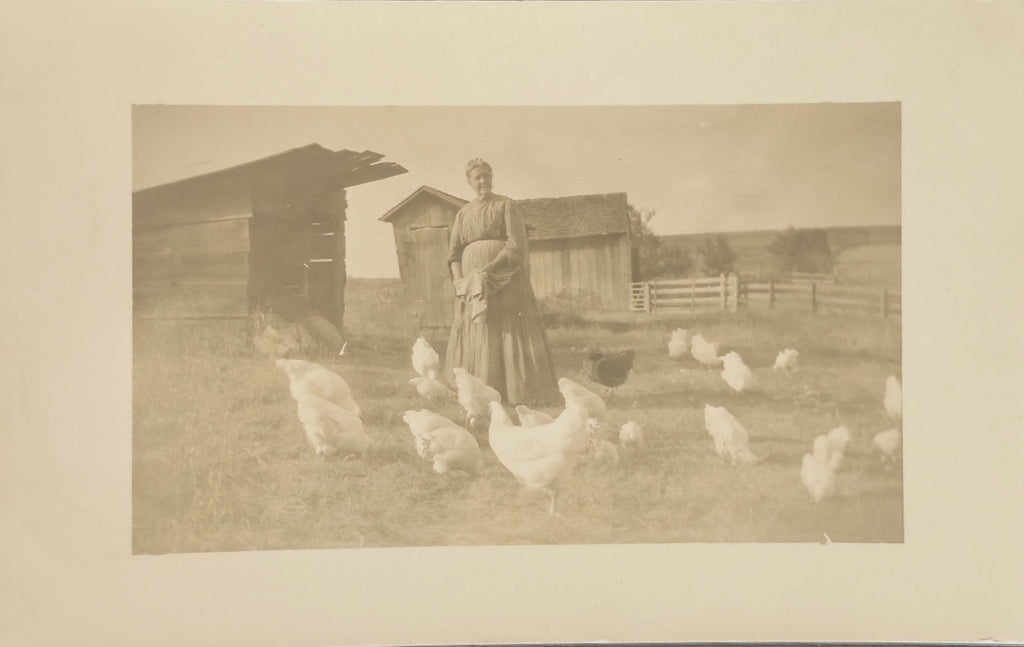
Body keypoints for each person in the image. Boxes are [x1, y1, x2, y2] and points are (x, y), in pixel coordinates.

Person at [445, 159, 559, 405]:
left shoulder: (506, 205)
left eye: (486, 175)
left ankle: (515, 390)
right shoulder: (463, 214)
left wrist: (488, 271)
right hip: (471, 286)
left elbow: (516, 245)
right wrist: (460, 282)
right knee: (479, 325)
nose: (483, 181)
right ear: (469, 182)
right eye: (478, 177)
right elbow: (453, 254)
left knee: (507, 326)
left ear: (492, 177)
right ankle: (479, 391)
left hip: (504, 277)